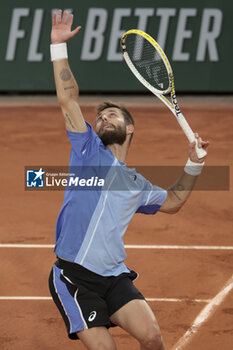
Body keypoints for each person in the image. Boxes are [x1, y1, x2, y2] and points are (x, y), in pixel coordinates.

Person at [48, 10, 209, 350]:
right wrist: (58, 48)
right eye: (101, 116)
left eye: (112, 114)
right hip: (74, 278)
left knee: (152, 338)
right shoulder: (88, 150)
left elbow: (174, 201)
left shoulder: (136, 184)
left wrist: (193, 163)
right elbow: (68, 99)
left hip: (114, 276)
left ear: (129, 128)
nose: (103, 117)